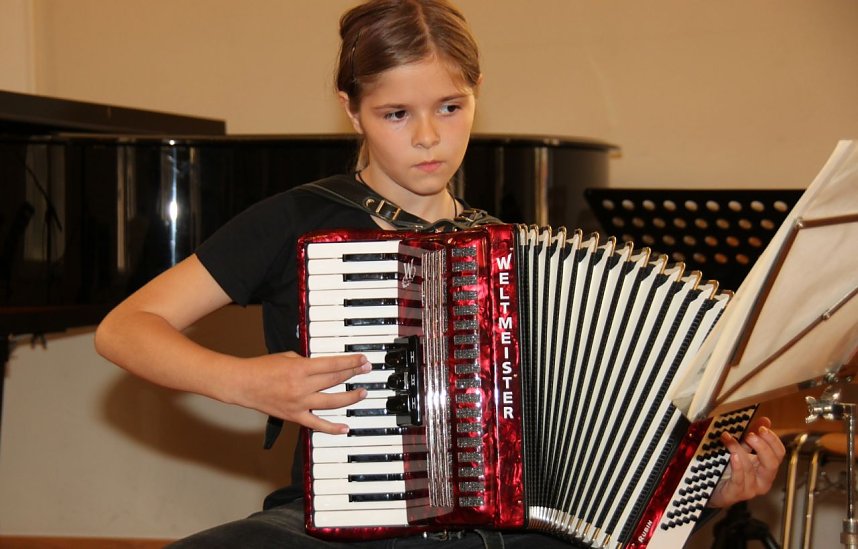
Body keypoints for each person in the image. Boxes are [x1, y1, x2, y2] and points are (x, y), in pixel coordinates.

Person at [94, 1, 786, 547]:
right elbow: (126, 329)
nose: (428, 137)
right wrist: (245, 381)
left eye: (449, 108)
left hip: (513, 531)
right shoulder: (297, 219)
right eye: (396, 114)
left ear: (476, 93)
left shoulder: (516, 255)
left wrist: (706, 485)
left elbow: (599, 452)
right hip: (341, 528)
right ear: (350, 108)